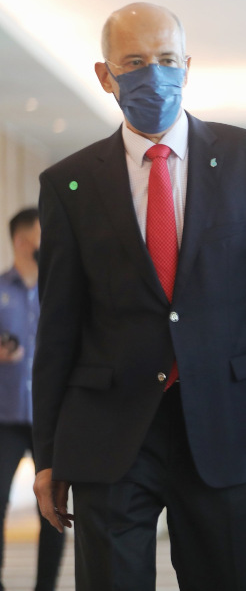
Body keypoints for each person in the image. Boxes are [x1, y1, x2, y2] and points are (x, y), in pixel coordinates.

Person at [32, 2, 246, 590]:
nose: (153, 74)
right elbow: (58, 328)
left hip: (228, 422)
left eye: (165, 60)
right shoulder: (69, 184)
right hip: (110, 431)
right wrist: (47, 452)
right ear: (105, 75)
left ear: (187, 66)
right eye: (134, 62)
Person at [0, 208, 64, 591]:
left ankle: (46, 588)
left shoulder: (57, 291)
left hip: (49, 418)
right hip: (4, 417)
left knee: (54, 507)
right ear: (23, 242)